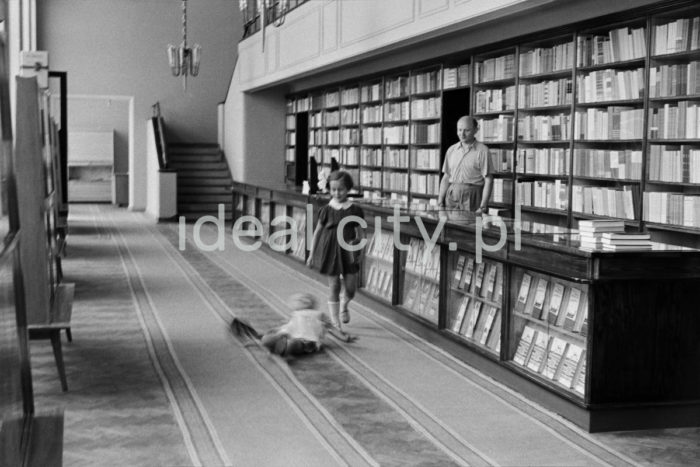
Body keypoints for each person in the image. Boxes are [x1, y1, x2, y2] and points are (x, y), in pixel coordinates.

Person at [306, 170, 365, 330]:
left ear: (348, 189)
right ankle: (335, 322)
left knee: (351, 288)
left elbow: (361, 233)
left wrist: (360, 252)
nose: (337, 193)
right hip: (330, 249)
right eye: (333, 190)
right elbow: (318, 232)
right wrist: (311, 254)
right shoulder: (326, 210)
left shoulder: (355, 210)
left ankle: (345, 304)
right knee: (334, 286)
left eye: (341, 189)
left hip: (349, 251)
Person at [230, 293, 355, 358]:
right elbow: (288, 326)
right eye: (300, 300)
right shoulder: (295, 314)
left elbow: (331, 328)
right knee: (268, 338)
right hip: (288, 336)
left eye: (305, 300)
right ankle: (273, 344)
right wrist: (275, 331)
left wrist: (345, 338)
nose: (302, 302)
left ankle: (283, 350)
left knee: (295, 344)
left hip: (307, 342)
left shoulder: (319, 314)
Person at [437, 116, 493, 214]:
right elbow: (446, 177)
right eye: (459, 130)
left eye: (467, 130)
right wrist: (440, 200)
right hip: (452, 195)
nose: (462, 134)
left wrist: (483, 206)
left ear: (476, 130)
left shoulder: (483, 151)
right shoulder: (451, 150)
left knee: (470, 227)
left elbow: (488, 180)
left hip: (473, 196)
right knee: (450, 227)